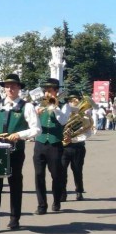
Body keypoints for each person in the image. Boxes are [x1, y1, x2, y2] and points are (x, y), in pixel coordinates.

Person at [0, 74, 41, 233]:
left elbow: (36, 129)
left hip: (15, 151)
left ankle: (14, 219)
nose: (10, 89)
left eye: (13, 86)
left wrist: (20, 135)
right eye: (7, 86)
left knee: (15, 185)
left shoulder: (26, 106)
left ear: (19, 88)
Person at [33, 78, 71, 215]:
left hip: (55, 144)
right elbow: (32, 123)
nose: (47, 93)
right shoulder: (38, 104)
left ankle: (56, 201)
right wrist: (36, 115)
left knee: (56, 175)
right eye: (46, 91)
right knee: (39, 175)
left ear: (56, 91)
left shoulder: (64, 105)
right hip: (40, 143)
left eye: (50, 91)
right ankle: (41, 205)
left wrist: (55, 108)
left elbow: (62, 121)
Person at [61, 93, 94, 202]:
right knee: (62, 171)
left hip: (78, 147)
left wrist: (73, 139)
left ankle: (79, 191)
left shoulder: (84, 116)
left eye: (76, 100)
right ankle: (62, 193)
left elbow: (88, 132)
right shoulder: (64, 114)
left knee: (77, 170)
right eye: (71, 100)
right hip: (63, 148)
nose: (73, 102)